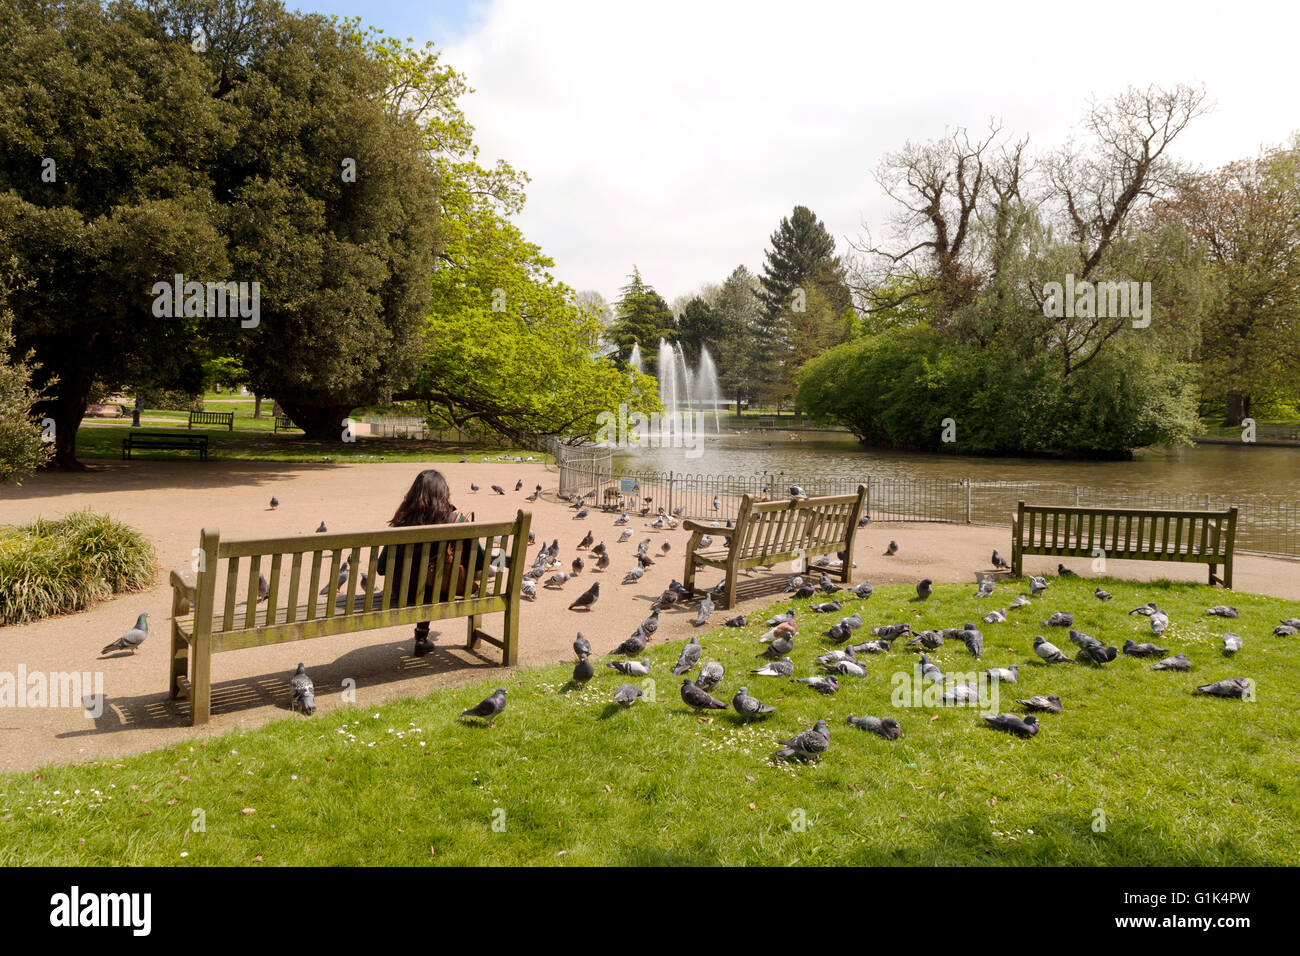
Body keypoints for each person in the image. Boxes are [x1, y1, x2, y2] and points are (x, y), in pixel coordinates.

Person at [378, 470, 485, 656]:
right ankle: (421, 637)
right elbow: (480, 562)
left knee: (421, 580)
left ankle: (421, 637)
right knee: (433, 580)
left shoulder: (401, 523)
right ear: (444, 494)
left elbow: (381, 568)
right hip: (443, 591)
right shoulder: (456, 521)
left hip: (405, 594)